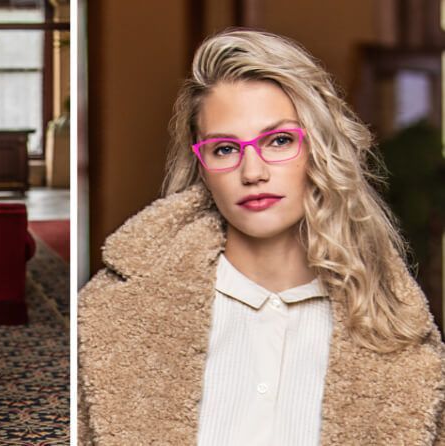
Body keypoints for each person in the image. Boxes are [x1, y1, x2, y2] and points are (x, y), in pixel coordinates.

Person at [78, 29, 445, 445]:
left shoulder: (398, 331)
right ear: (202, 167)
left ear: (320, 151)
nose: (253, 172)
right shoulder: (115, 313)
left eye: (280, 140)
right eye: (224, 149)